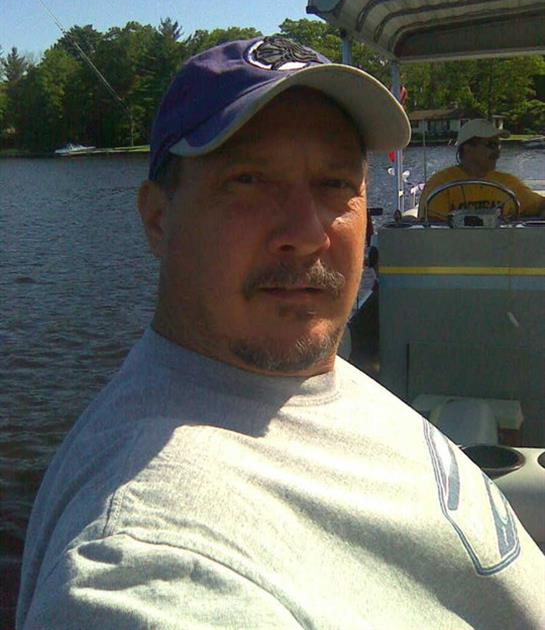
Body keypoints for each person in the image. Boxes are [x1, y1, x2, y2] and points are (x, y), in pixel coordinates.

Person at [17, 37, 545, 629]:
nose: (308, 232)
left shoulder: (305, 379)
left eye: (335, 184)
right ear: (159, 220)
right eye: (248, 179)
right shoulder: (144, 556)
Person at [417, 118, 545, 220]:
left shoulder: (508, 183)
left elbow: (539, 206)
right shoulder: (440, 184)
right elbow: (431, 229)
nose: (497, 151)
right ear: (467, 148)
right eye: (491, 145)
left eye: (499, 145)